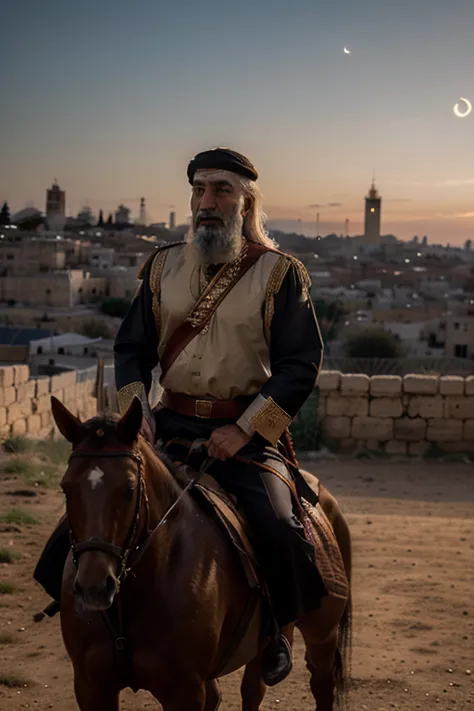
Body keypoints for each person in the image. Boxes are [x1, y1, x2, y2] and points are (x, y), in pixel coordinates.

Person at [113, 147, 326, 686]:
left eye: (221, 190)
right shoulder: (163, 266)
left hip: (244, 433)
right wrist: (136, 411)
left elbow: (299, 366)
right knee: (91, 514)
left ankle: (274, 632)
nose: (207, 202)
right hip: (168, 424)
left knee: (279, 529)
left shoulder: (281, 274)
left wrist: (245, 429)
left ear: (245, 201)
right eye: (199, 190)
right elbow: (131, 347)